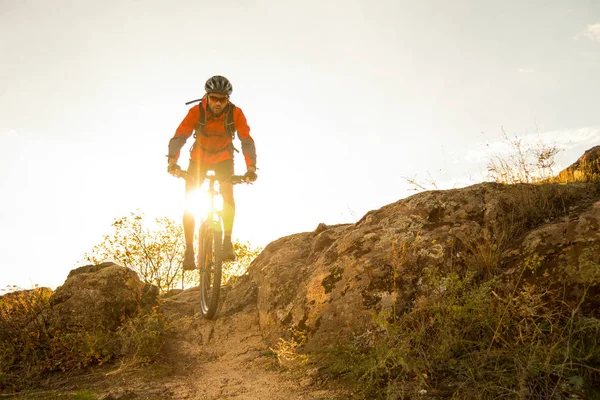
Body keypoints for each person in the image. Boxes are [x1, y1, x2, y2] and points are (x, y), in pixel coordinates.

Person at [166, 75, 257, 270]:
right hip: (198, 159)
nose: (218, 103)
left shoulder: (236, 114)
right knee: (189, 201)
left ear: (228, 99)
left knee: (227, 195)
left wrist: (250, 168)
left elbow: (246, 140)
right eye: (214, 98)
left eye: (222, 99)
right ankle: (189, 249)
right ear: (207, 97)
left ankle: (227, 241)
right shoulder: (196, 111)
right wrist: (173, 162)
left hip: (224, 160)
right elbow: (180, 135)